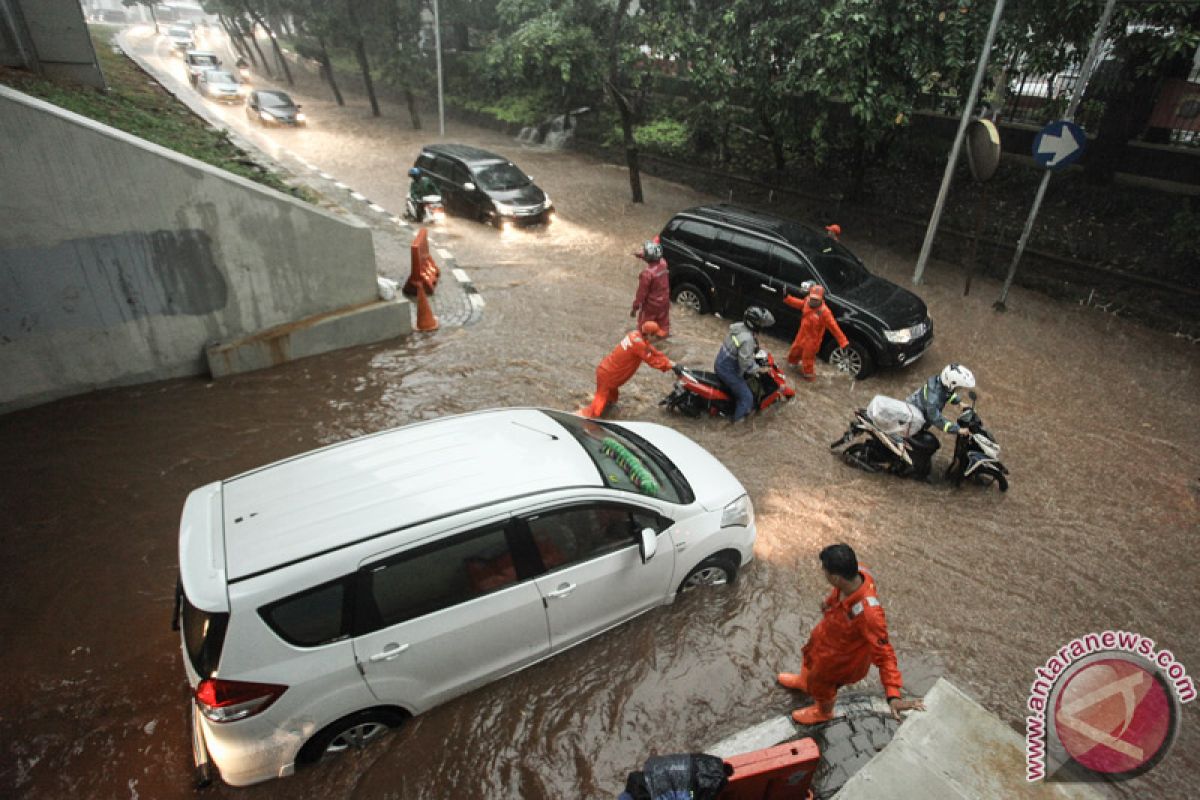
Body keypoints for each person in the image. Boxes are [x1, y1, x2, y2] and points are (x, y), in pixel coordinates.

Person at [777, 544, 926, 724]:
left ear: (836, 577)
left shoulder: (870, 614)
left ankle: (823, 712)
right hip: (827, 637)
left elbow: (885, 654)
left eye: (825, 572)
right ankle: (805, 682)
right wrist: (830, 602)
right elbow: (838, 592)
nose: (823, 574)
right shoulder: (857, 574)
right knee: (809, 657)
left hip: (839, 659)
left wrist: (893, 695)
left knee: (822, 683)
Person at [580, 321, 678, 419]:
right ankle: (587, 420)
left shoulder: (635, 335)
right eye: (656, 336)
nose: (657, 339)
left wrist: (668, 361)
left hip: (608, 371)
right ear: (648, 334)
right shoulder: (639, 345)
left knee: (611, 401)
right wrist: (670, 366)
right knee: (597, 407)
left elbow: (652, 350)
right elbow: (653, 361)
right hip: (609, 375)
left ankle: (606, 415)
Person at [714, 306, 774, 423]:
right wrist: (759, 369)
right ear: (754, 324)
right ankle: (736, 425)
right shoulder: (748, 339)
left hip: (721, 362)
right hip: (728, 370)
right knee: (747, 398)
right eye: (760, 323)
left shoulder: (739, 326)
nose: (762, 325)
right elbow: (745, 365)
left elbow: (743, 348)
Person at [782, 284, 849, 381]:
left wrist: (843, 342)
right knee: (794, 351)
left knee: (807, 360)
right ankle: (791, 369)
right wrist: (787, 298)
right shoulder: (807, 300)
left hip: (813, 341)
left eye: (816, 299)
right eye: (812, 298)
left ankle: (809, 379)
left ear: (821, 299)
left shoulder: (825, 312)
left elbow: (834, 328)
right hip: (802, 334)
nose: (813, 301)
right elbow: (799, 304)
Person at [907, 363, 976, 437]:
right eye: (958, 387)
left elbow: (946, 394)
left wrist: (959, 402)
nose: (958, 389)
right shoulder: (933, 401)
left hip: (917, 407)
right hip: (912, 421)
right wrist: (958, 429)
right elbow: (937, 420)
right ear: (951, 383)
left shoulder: (940, 382)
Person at [630, 240, 671, 337]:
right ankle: (662, 343)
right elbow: (653, 257)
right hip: (665, 303)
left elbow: (641, 294)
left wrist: (635, 308)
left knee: (643, 328)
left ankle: (643, 344)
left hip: (651, 307)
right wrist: (641, 255)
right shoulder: (663, 263)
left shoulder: (647, 274)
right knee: (663, 326)